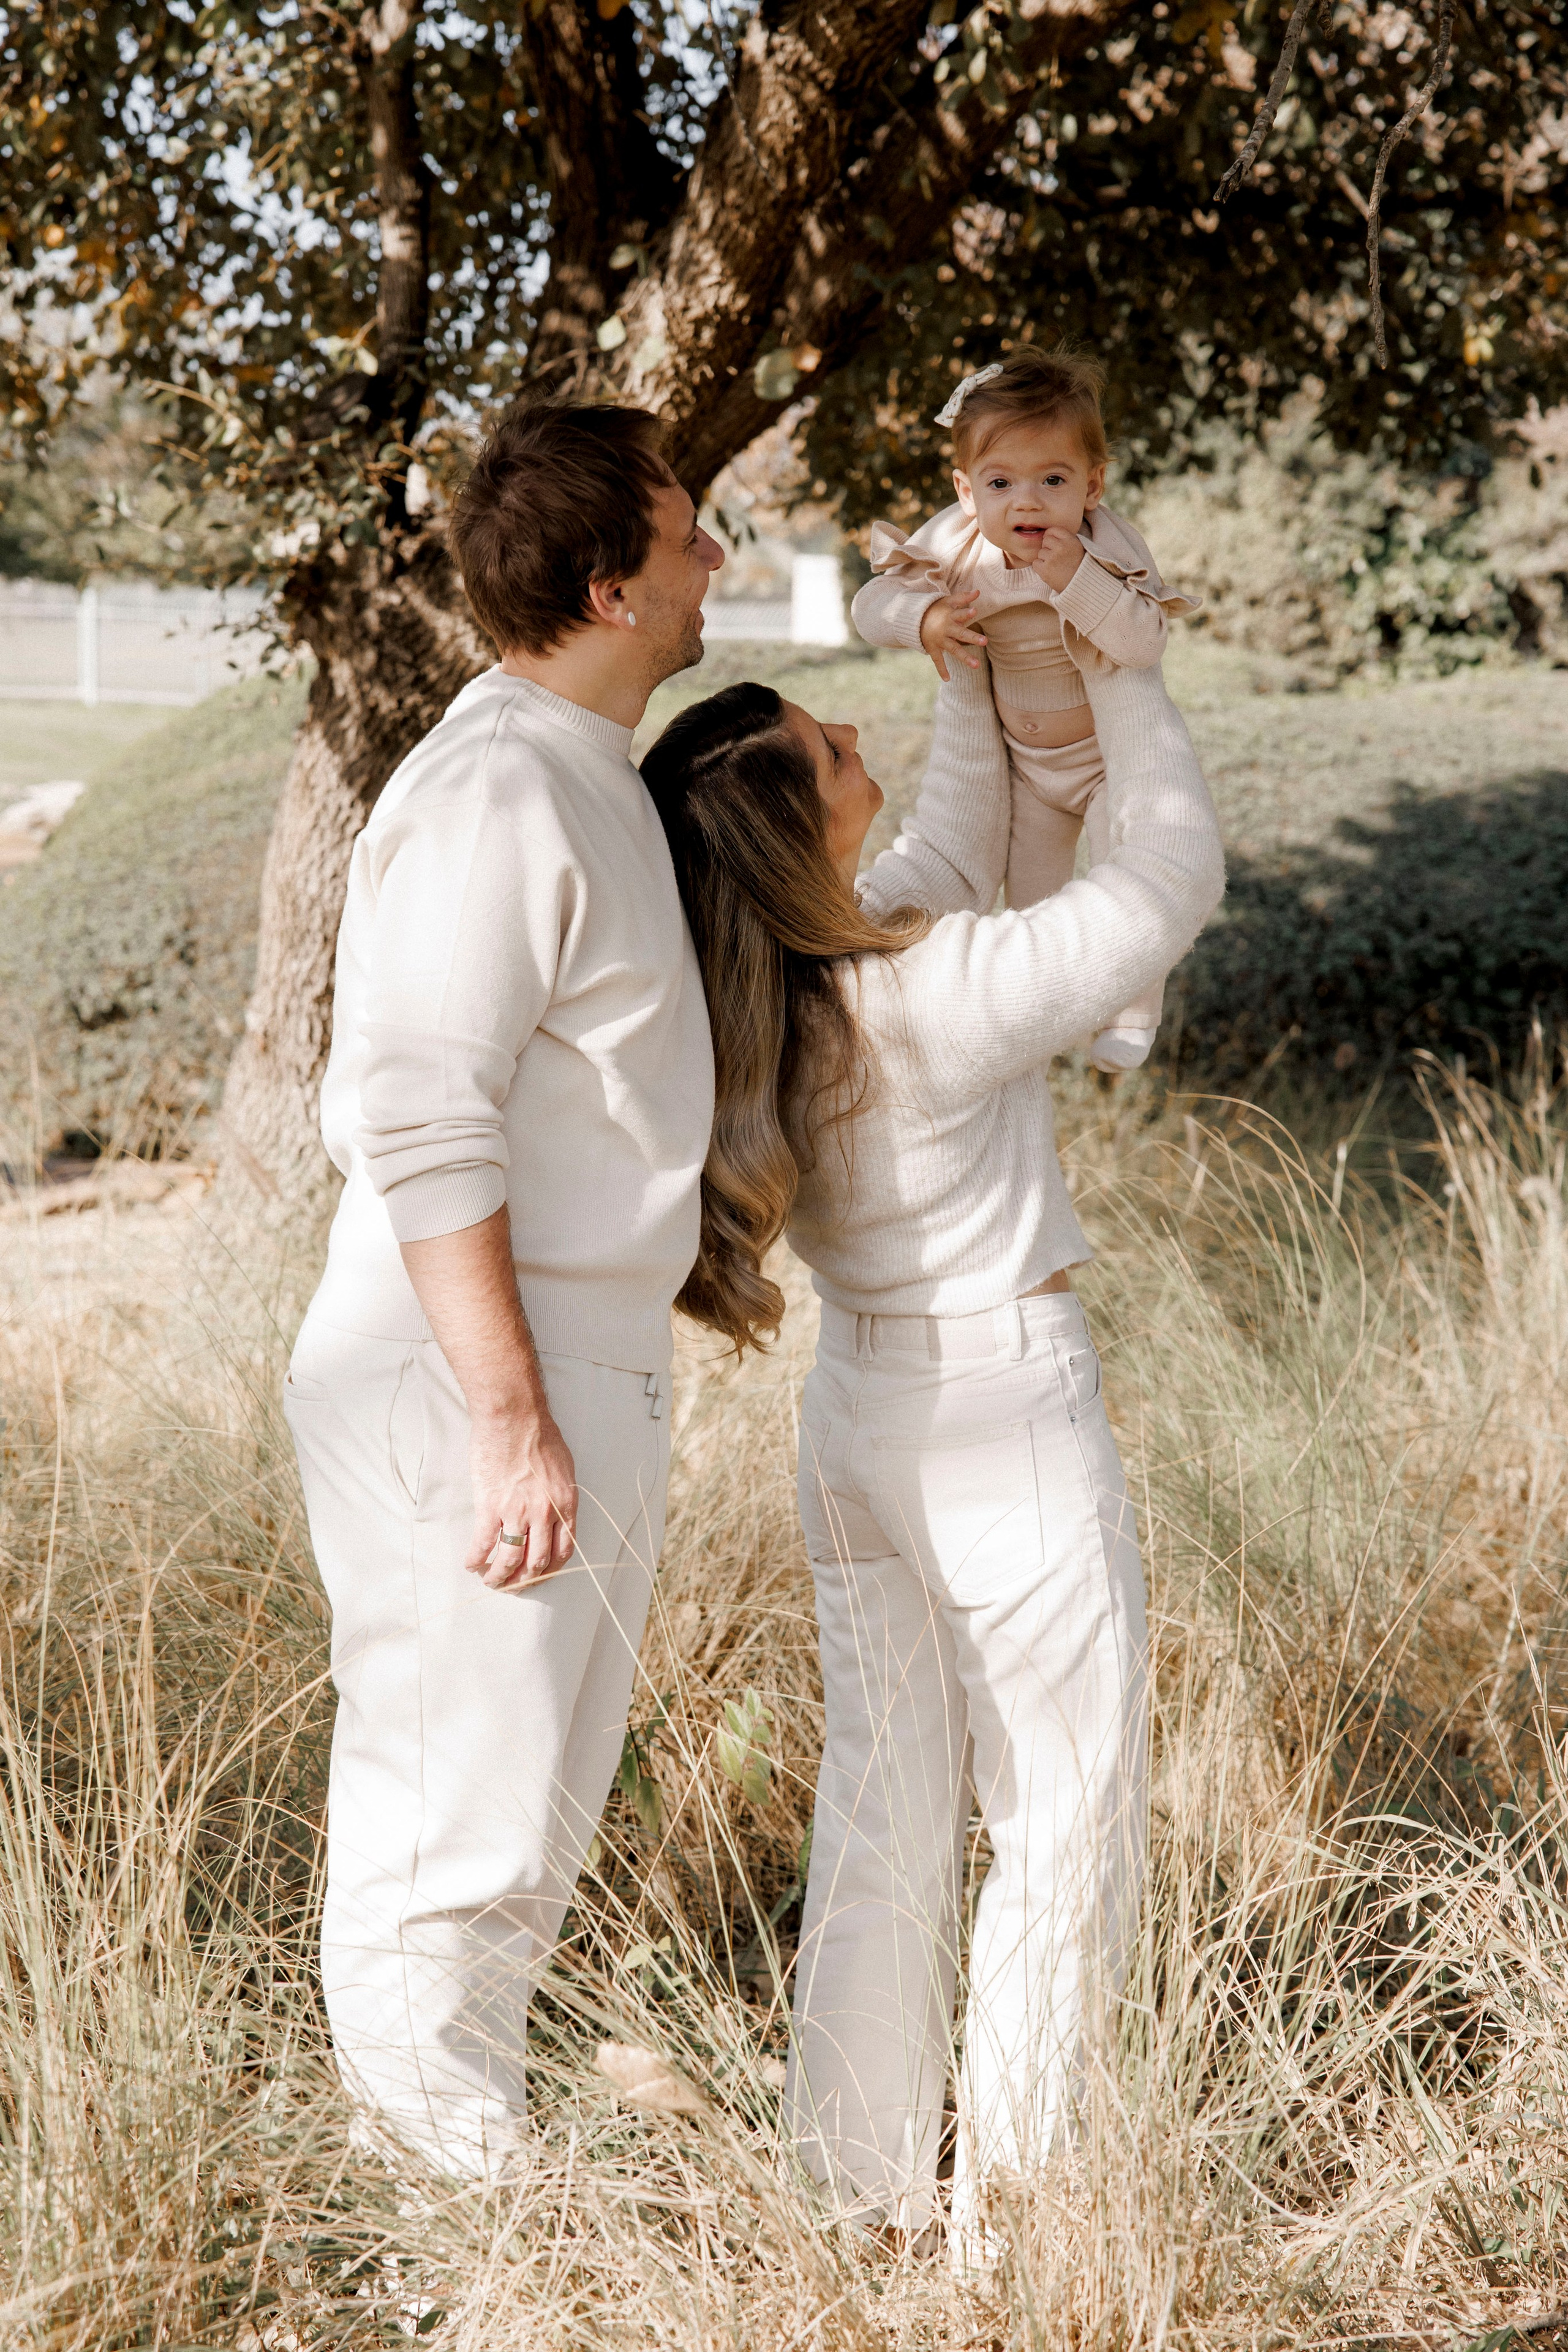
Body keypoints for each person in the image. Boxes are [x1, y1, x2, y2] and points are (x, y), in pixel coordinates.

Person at [639, 644, 1223, 2250]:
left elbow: (953, 854)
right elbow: (1171, 875)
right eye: (829, 746)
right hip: (1003, 1416)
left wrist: (980, 682)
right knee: (1064, 1819)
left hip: (857, 1423)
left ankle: (856, 2192)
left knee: (884, 1808)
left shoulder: (778, 994)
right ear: (789, 824)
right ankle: (1018, 2225)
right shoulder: (931, 997)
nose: (853, 737)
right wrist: (1127, 682)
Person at [283, 401, 722, 2176]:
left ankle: (470, 2174)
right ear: (612, 583)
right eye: (692, 535)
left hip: (553, 1357)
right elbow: (422, 1116)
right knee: (450, 1813)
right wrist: (513, 1413)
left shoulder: (575, 774)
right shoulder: (493, 791)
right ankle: (452, 2225)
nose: (719, 562)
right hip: (471, 1364)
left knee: (521, 1806)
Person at [851, 346, 1200, 1072]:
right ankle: (1049, 1027)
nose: (1027, 501)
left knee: (1128, 867)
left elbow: (1143, 641)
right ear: (966, 490)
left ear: (1093, 486)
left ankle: (1134, 1009)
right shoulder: (953, 546)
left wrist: (1079, 581)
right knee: (1037, 910)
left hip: (1105, 764)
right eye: (1000, 481)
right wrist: (923, 620)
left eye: (1053, 479)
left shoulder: (1105, 550)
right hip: (1029, 771)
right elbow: (869, 606)